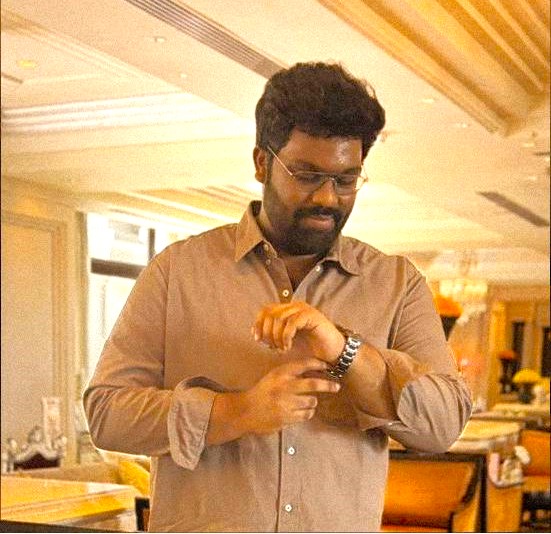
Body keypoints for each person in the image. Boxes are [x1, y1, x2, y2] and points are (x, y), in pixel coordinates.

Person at [84, 62, 471, 532]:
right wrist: (237, 412)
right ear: (262, 163)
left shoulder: (396, 283)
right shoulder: (176, 271)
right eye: (307, 175)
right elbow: (106, 413)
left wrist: (345, 351)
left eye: (346, 180)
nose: (328, 198)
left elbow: (443, 424)